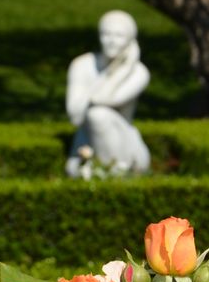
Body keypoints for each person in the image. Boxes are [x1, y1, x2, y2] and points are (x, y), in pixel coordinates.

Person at [64, 10, 151, 177]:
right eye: (106, 34)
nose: (111, 41)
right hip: (85, 144)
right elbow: (74, 115)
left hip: (127, 150)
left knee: (98, 114)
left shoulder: (138, 72)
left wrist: (124, 69)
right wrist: (113, 70)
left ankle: (113, 167)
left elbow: (104, 100)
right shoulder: (81, 65)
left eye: (119, 36)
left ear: (131, 41)